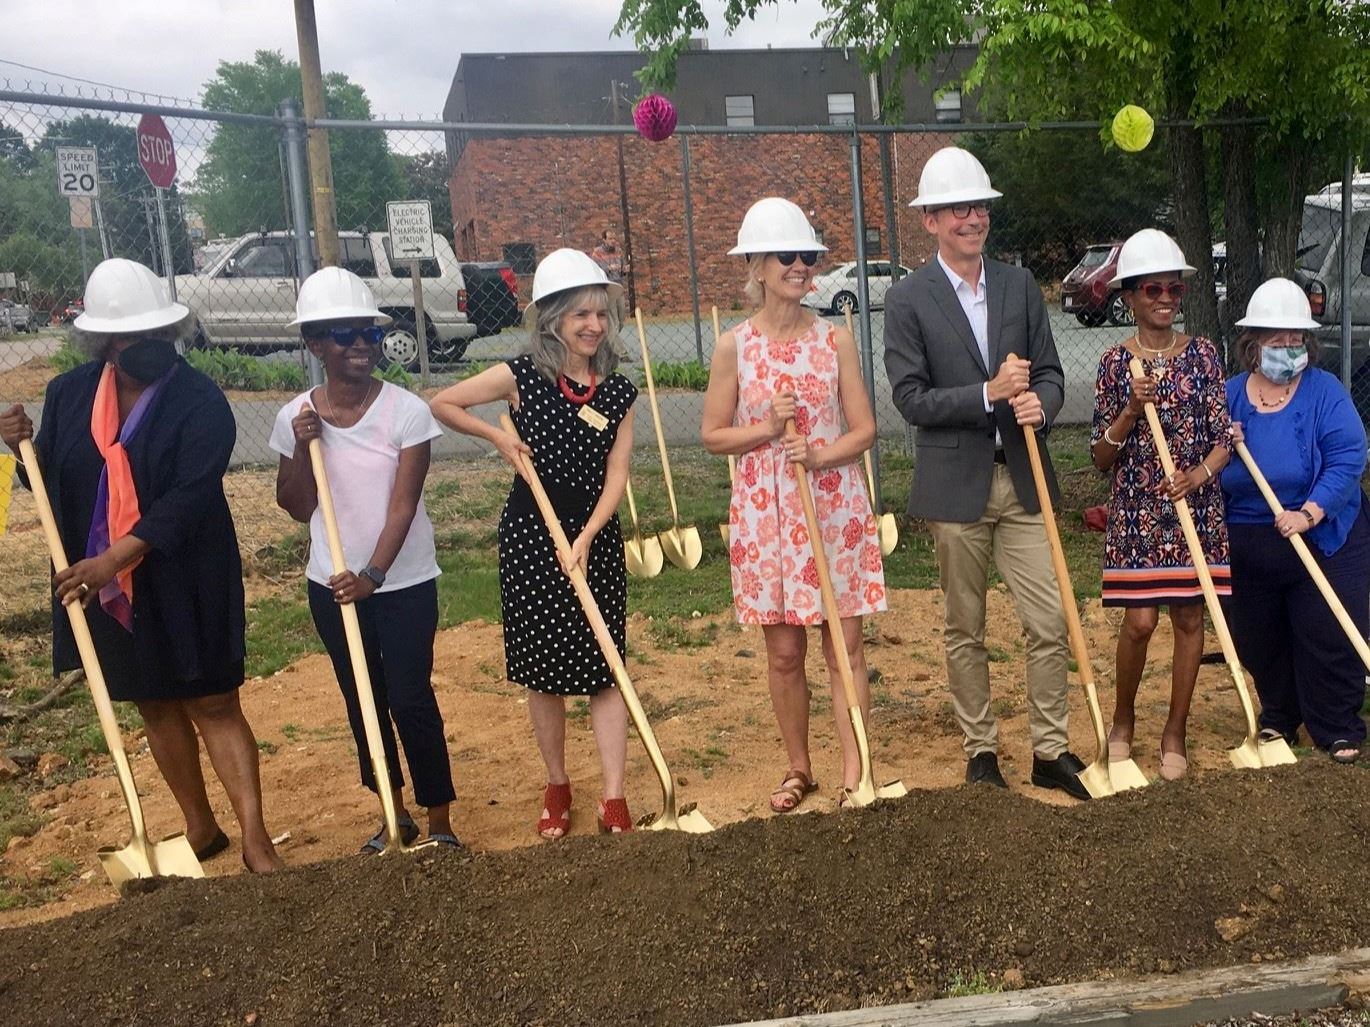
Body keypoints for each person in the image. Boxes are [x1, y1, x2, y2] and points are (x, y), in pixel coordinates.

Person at [0, 258, 282, 872]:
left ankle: (256, 837)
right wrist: (20, 446)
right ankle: (200, 828)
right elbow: (52, 486)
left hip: (186, 574)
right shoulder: (69, 395)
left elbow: (189, 497)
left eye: (154, 335)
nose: (143, 347)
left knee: (213, 701)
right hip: (110, 591)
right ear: (102, 341)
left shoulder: (200, 400)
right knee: (154, 703)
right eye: (129, 339)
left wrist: (111, 559)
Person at [883, 146, 1088, 800]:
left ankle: (1050, 750)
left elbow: (1050, 373)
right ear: (932, 221)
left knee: (1049, 619)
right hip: (956, 486)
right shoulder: (907, 299)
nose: (973, 218)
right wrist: (988, 392)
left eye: (980, 207)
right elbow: (910, 398)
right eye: (958, 209)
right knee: (964, 625)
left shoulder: (1019, 285)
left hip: (1022, 476)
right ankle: (980, 752)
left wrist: (1041, 404)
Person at [430, 248, 637, 836]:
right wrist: (497, 441)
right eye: (580, 315)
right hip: (531, 537)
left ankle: (614, 796)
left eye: (600, 314)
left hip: (592, 538)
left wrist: (589, 536)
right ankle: (557, 782)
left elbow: (617, 473)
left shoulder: (618, 392)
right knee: (545, 670)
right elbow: (444, 403)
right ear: (552, 319)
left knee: (605, 664)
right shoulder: (520, 377)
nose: (593, 325)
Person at [702, 197, 888, 813]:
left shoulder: (834, 339)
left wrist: (820, 454)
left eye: (808, 256)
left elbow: (864, 430)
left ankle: (856, 770)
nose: (801, 266)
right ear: (756, 265)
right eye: (788, 256)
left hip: (832, 509)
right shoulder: (735, 347)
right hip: (766, 516)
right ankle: (798, 768)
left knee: (844, 646)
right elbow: (712, 435)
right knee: (785, 653)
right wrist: (765, 430)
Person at [270, 267, 459, 851]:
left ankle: (439, 822)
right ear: (314, 344)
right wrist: (304, 447)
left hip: (399, 581)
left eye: (369, 334)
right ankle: (391, 813)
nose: (360, 345)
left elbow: (402, 507)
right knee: (363, 700)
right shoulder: (295, 416)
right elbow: (297, 505)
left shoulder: (406, 412)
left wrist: (373, 576)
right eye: (344, 334)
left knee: (409, 696)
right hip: (331, 584)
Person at [1089, 229, 1233, 781]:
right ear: (1129, 296)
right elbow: (1102, 457)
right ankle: (1123, 719)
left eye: (1174, 288)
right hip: (1138, 515)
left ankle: (1176, 728)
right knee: (1141, 622)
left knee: (1190, 617)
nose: (1166, 298)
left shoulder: (1202, 355)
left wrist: (1198, 475)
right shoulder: (1112, 365)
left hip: (1195, 508)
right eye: (1153, 289)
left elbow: (1224, 437)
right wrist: (1129, 409)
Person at [1221, 277, 1368, 764]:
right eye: (1276, 342)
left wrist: (1308, 512)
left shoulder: (1325, 392)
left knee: (1327, 626)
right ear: (1252, 345)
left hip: (1323, 531)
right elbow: (1202, 461)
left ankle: (1336, 724)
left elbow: (1348, 456)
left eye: (1295, 342)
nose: (1288, 350)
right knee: (1258, 634)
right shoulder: (1231, 398)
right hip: (1249, 535)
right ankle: (1279, 717)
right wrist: (1222, 445)